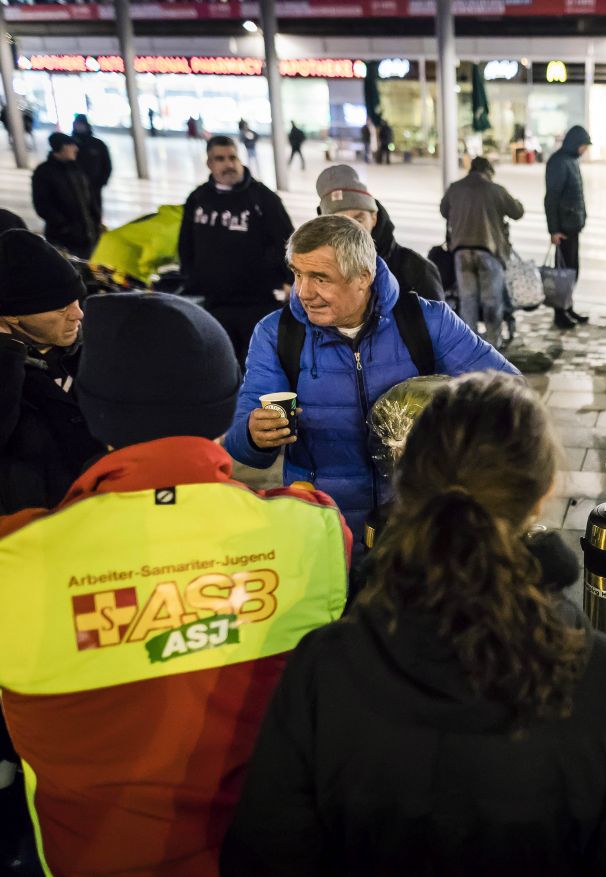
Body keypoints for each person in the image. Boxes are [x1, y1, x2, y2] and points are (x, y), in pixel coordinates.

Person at [220, 373, 606, 875]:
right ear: (541, 495)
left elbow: (263, 854)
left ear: (407, 485)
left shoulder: (324, 665)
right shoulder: (603, 675)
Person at [0, 291, 351, 877]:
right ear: (223, 403)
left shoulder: (18, 560)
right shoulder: (313, 529)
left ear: (91, 407)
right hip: (271, 853)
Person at [224, 215, 518, 574]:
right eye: (298, 274)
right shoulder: (277, 333)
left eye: (320, 278)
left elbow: (510, 394)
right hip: (326, 531)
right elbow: (240, 442)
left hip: (417, 527)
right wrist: (254, 434)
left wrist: (446, 424)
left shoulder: (427, 322)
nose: (303, 292)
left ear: (363, 277)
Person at [0, 229, 102, 515]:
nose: (77, 314)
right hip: (33, 533)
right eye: (60, 308)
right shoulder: (9, 368)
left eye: (77, 300)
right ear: (10, 315)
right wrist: (6, 353)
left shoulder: (98, 350)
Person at [179, 134, 294, 367]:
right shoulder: (198, 199)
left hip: (258, 302)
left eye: (233, 157)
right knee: (221, 366)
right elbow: (186, 244)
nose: (229, 164)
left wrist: (287, 279)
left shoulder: (263, 198)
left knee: (258, 367)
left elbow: (288, 241)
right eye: (220, 159)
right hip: (215, 303)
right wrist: (193, 277)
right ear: (210, 164)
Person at [316, 164, 443, 301]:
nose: (350, 231)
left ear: (374, 218)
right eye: (339, 224)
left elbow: (440, 321)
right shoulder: (312, 274)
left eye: (359, 219)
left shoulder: (417, 271)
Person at [440, 156, 525, 347]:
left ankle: (471, 345)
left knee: (467, 300)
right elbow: (517, 212)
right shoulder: (495, 190)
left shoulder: (455, 188)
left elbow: (444, 210)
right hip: (488, 251)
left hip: (461, 251)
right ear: (489, 171)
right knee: (491, 301)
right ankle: (493, 343)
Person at [543, 124, 593, 329]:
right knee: (562, 273)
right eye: (584, 145)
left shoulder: (571, 160)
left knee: (572, 271)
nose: (585, 149)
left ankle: (568, 306)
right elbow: (551, 198)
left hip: (572, 226)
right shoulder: (559, 162)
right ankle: (559, 313)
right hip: (563, 229)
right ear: (575, 143)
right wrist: (553, 229)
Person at [31, 132, 101, 259]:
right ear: (62, 148)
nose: (76, 149)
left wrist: (96, 222)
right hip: (63, 239)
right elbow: (42, 206)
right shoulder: (44, 172)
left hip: (86, 237)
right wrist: (65, 227)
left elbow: (89, 199)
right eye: (71, 145)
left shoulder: (76, 169)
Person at [70, 113, 112, 221]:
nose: (79, 127)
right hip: (73, 188)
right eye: (77, 125)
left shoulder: (98, 144)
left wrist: (102, 181)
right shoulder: (69, 144)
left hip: (94, 187)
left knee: (95, 212)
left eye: (81, 125)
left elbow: (107, 165)